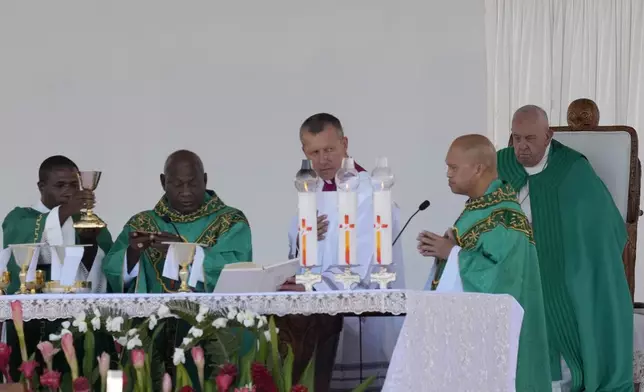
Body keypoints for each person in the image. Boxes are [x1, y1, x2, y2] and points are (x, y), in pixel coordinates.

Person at [498, 105, 633, 391]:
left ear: (548, 135)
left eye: (530, 139)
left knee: (573, 290)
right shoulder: (501, 165)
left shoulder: (572, 169)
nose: (521, 146)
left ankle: (557, 381)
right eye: (516, 138)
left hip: (563, 263)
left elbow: (601, 227)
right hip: (508, 261)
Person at [419, 134, 551, 391]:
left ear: (478, 168)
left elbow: (502, 276)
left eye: (454, 167)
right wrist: (448, 250)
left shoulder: (504, 215)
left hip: (498, 336)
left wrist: (453, 254)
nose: (448, 174)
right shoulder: (481, 207)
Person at [283, 113, 405, 391]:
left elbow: (365, 258)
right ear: (304, 152)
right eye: (314, 152)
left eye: (330, 149)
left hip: (362, 318)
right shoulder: (308, 191)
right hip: (314, 320)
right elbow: (296, 253)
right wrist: (305, 239)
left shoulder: (370, 191)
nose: (323, 159)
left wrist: (315, 288)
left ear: (345, 143)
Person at [2, 155, 113, 380]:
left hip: (80, 323)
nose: (69, 191)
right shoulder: (21, 217)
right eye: (60, 185)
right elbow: (18, 242)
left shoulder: (86, 219)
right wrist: (64, 213)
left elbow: (104, 268)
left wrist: (89, 241)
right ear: (41, 187)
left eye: (74, 185)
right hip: (33, 324)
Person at [102, 149, 252, 293]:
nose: (186, 192)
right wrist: (132, 254)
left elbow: (237, 272)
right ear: (163, 182)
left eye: (192, 184)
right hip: (151, 317)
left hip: (213, 318)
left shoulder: (230, 221)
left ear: (205, 180)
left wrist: (185, 253)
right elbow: (109, 272)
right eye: (178, 185)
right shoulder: (142, 223)